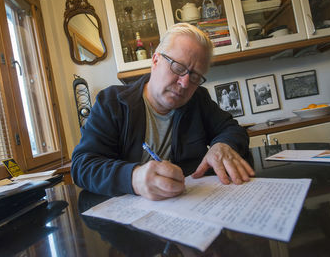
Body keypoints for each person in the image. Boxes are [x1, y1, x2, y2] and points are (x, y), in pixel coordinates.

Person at [71, 23, 255, 201]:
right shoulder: (111, 102)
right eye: (178, 67)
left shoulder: (198, 99)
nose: (184, 83)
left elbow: (232, 129)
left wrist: (223, 145)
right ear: (155, 60)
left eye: (195, 76)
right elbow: (82, 166)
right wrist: (133, 178)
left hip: (193, 205)